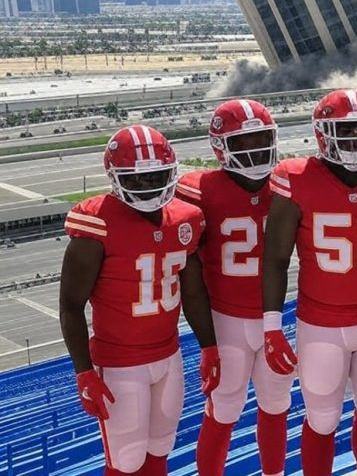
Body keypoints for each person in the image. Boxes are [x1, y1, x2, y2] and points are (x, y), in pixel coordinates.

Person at [261, 89, 357, 476]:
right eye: (345, 131)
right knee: (321, 419)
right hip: (321, 322)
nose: (355, 141)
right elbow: (277, 257)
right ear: (323, 134)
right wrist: (271, 324)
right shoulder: (295, 178)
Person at [59, 125, 219, 476]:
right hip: (119, 363)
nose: (149, 186)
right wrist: (84, 371)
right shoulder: (97, 223)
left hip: (169, 354)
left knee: (160, 450)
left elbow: (192, 292)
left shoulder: (185, 217)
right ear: (116, 178)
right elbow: (71, 305)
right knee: (125, 462)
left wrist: (209, 346)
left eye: (156, 176)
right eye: (138, 179)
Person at [177, 99, 295, 476]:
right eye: (244, 142)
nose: (255, 149)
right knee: (223, 411)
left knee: (277, 407)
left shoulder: (286, 184)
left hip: (273, 318)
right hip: (226, 320)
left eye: (261, 138)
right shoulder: (199, 189)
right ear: (221, 147)